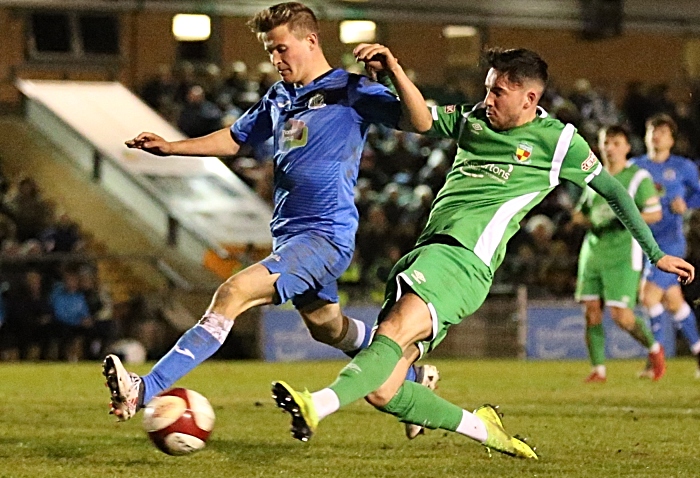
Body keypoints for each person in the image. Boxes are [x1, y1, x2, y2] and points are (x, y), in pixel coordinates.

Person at [271, 46, 695, 459]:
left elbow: (614, 190)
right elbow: (421, 121)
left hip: (464, 260)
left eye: (498, 92)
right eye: (487, 88)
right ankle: (482, 428)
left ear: (529, 98)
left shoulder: (559, 142)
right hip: (428, 252)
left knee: (392, 333)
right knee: (384, 389)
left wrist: (654, 253)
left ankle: (317, 404)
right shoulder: (474, 119)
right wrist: (397, 70)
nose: (486, 99)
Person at [102, 2, 439, 437]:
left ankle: (144, 388)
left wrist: (393, 68)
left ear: (311, 41)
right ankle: (414, 379)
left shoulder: (349, 90)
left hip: (324, 236)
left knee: (233, 292)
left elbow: (421, 120)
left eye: (281, 49)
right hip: (290, 238)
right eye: (269, 51)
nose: (275, 60)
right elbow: (234, 138)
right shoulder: (280, 96)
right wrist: (171, 147)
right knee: (327, 329)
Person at [573, 125, 663, 383]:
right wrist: (579, 219)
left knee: (621, 316)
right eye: (605, 143)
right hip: (593, 251)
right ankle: (598, 370)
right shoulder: (593, 176)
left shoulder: (637, 177)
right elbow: (581, 211)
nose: (609, 148)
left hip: (624, 252)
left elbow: (655, 213)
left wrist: (620, 219)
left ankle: (654, 350)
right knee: (591, 311)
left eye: (615, 142)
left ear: (627, 147)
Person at [632, 114, 700, 378]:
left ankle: (656, 359)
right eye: (652, 130)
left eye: (662, 131)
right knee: (675, 303)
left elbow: (697, 194)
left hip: (670, 243)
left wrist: (687, 206)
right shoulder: (636, 166)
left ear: (671, 139)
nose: (656, 135)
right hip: (643, 243)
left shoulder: (683, 167)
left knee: (648, 298)